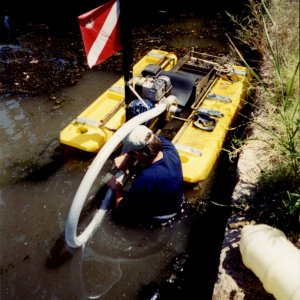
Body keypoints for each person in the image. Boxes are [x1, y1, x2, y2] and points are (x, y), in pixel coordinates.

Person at [108, 125, 184, 225]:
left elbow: (121, 209)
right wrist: (128, 156)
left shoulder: (146, 177)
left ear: (138, 154)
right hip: (178, 203)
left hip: (160, 218)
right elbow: (159, 139)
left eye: (132, 153)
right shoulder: (170, 149)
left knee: (117, 217)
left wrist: (117, 187)